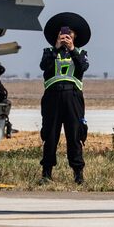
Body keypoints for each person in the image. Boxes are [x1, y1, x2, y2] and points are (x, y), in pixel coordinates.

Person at [40, 25, 88, 184]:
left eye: (69, 34)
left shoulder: (81, 53)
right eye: (62, 33)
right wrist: (56, 49)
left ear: (74, 36)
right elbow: (43, 66)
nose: (65, 36)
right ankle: (46, 174)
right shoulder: (48, 52)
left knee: (75, 135)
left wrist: (72, 49)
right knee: (50, 135)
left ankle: (78, 174)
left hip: (73, 97)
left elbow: (83, 67)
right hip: (52, 98)